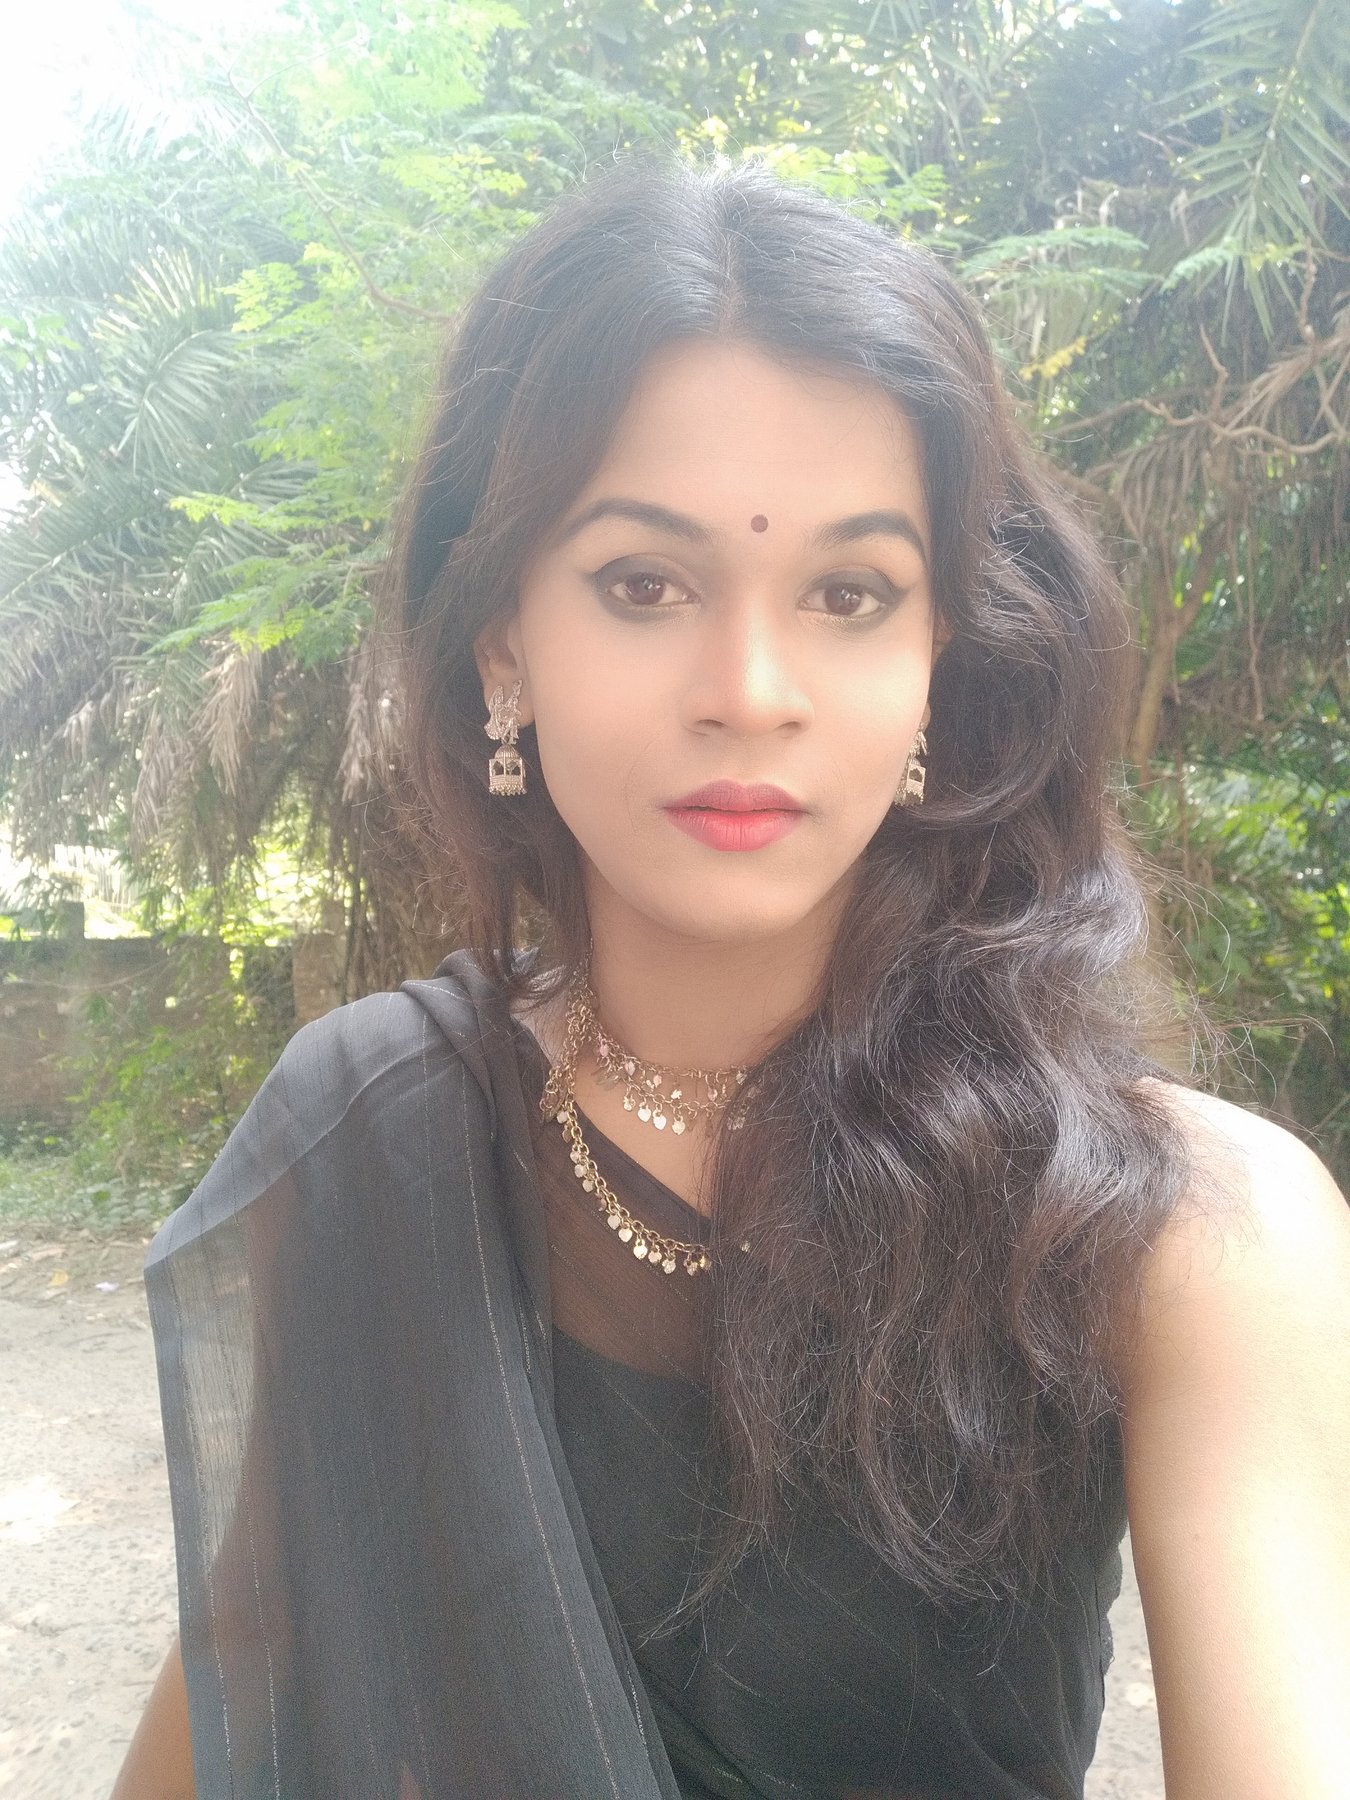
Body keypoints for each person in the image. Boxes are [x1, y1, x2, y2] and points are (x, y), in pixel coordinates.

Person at [112, 154, 1350, 1800]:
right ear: (501, 641)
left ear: (937, 658)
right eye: (644, 584)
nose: (749, 689)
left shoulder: (1178, 1228)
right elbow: (252, 1673)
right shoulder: (369, 1131)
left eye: (849, 593)